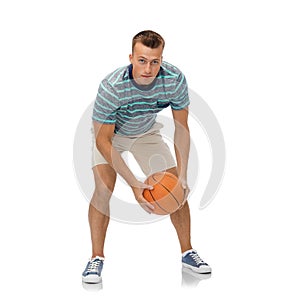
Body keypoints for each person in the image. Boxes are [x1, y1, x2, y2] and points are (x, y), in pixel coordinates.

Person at [82, 30, 211, 283]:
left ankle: (188, 252)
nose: (148, 68)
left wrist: (182, 175)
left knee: (175, 187)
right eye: (142, 60)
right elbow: (102, 140)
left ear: (162, 59)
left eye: (155, 61)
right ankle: (96, 258)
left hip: (145, 132)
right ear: (131, 57)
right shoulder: (112, 87)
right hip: (111, 136)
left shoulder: (174, 80)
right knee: (103, 188)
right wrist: (134, 184)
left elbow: (182, 128)